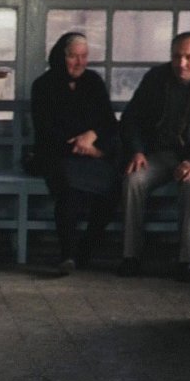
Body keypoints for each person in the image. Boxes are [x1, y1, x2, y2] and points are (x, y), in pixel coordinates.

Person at [117, 32, 190, 282]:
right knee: (133, 180)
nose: (181, 63)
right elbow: (131, 118)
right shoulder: (156, 79)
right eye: (176, 56)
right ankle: (130, 256)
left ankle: (186, 261)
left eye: (188, 57)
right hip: (162, 153)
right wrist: (137, 150)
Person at [30, 32, 121, 274]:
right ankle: (67, 255)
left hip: (92, 153)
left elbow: (109, 122)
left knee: (112, 188)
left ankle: (85, 251)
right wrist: (80, 145)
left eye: (84, 56)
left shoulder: (93, 82)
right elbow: (46, 130)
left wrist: (92, 136)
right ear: (61, 56)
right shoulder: (43, 86)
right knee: (70, 189)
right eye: (73, 56)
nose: (79, 62)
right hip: (57, 153)